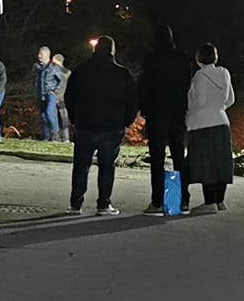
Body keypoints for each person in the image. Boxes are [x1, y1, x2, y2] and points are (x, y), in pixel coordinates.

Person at [63, 34, 138, 215]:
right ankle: (103, 203)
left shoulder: (81, 71)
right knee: (107, 166)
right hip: (112, 125)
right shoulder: (122, 74)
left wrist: (74, 118)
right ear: (113, 51)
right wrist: (126, 122)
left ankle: (76, 203)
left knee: (81, 165)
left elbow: (69, 97)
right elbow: (133, 101)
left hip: (85, 124)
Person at [136, 23, 196, 215]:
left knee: (157, 158)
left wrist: (144, 109)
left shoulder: (151, 60)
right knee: (179, 157)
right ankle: (180, 200)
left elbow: (144, 86)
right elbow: (188, 83)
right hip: (177, 112)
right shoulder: (182, 59)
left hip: (157, 113)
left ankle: (158, 200)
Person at [184, 42, 237, 210]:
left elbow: (200, 101)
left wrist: (189, 110)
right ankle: (220, 200)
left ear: (198, 59)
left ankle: (209, 202)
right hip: (221, 121)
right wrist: (219, 108)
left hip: (202, 123)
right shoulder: (225, 73)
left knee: (206, 162)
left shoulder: (200, 76)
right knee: (221, 161)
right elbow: (231, 99)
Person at [34, 46, 65, 141]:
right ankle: (46, 136)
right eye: (39, 54)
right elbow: (34, 80)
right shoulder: (36, 67)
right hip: (40, 93)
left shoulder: (54, 67)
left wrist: (55, 91)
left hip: (50, 94)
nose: (39, 56)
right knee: (43, 115)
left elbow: (61, 80)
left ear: (47, 55)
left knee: (49, 113)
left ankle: (55, 133)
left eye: (41, 54)